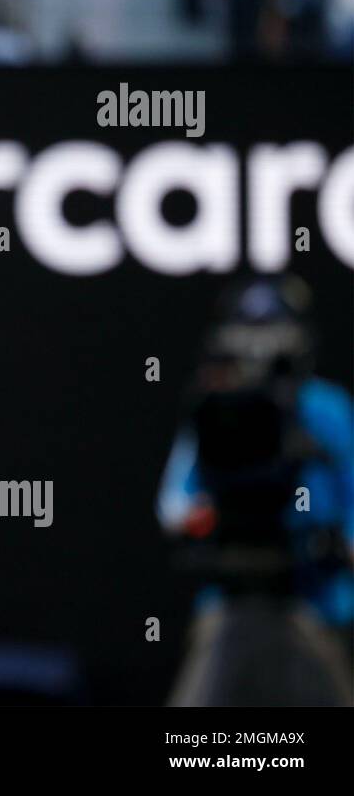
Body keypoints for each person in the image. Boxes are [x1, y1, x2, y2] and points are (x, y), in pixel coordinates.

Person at [157, 274, 354, 706]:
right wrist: (205, 518)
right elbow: (173, 504)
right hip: (228, 604)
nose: (259, 347)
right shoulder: (214, 405)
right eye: (248, 333)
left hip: (316, 602)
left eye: (273, 332)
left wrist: (333, 543)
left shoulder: (329, 408)